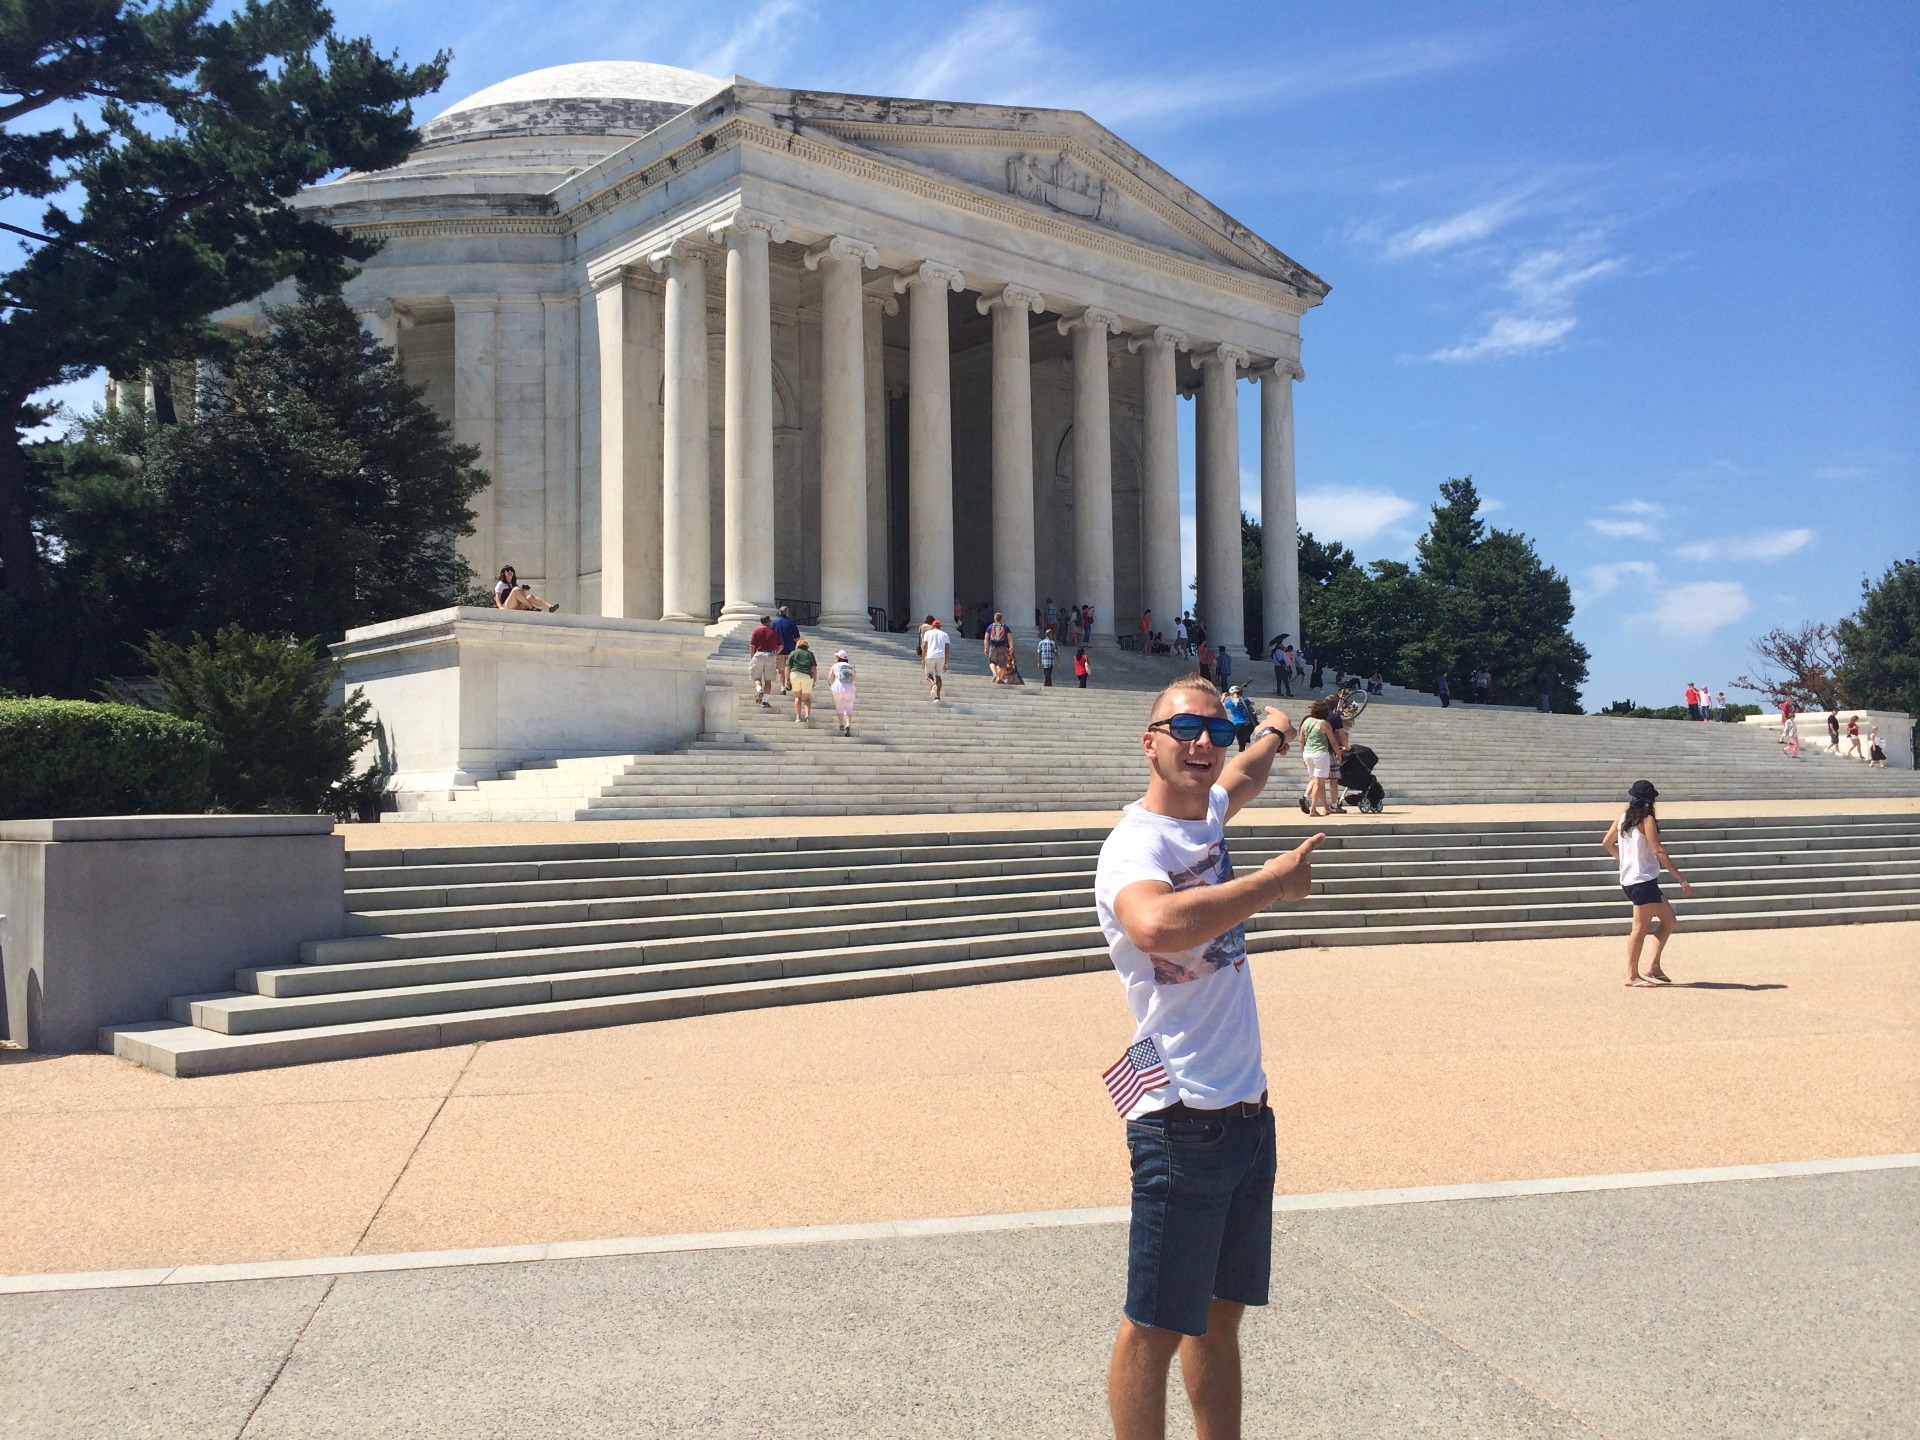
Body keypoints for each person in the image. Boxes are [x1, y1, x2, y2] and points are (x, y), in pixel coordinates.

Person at [1094, 674, 1316, 1440]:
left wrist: (1272, 735)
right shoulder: (1134, 846)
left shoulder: (1211, 809)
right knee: (1153, 1325)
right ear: (1147, 741)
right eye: (1183, 728)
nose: (1201, 743)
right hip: (1180, 1118)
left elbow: (1242, 778)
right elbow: (1156, 926)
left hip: (1247, 1113)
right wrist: (1268, 885)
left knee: (1219, 1320)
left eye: (1213, 731)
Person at [1602, 780, 1692, 986]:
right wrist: (1681, 879)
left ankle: (1653, 966)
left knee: (1669, 920)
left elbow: (1606, 843)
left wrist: (1624, 859)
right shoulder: (1647, 819)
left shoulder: (1623, 817)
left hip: (1635, 879)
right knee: (1639, 929)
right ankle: (1631, 975)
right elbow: (1658, 850)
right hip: (1642, 880)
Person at [1298, 696, 1337, 817]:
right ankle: (1313, 810)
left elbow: (1301, 740)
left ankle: (1325, 807)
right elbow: (1333, 741)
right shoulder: (1324, 723)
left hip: (1307, 753)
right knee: (1318, 783)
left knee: (1316, 781)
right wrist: (1338, 754)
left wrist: (1303, 754)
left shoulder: (1306, 721)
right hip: (1320, 754)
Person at [746, 615, 781, 708]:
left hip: (759, 654)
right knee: (768, 681)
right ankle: (765, 701)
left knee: (757, 678)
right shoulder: (774, 632)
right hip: (770, 655)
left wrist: (752, 657)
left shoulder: (756, 631)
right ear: (769, 621)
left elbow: (752, 646)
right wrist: (776, 653)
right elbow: (781, 645)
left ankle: (759, 690)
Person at [493, 565, 558, 613]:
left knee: (529, 597)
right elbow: (497, 597)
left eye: (512, 570)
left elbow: (520, 597)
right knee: (515, 590)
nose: (510, 571)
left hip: (516, 606)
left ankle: (550, 607)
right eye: (507, 570)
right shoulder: (501, 584)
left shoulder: (514, 584)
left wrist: (523, 591)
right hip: (506, 606)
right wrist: (500, 607)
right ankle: (531, 607)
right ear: (503, 573)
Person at [770, 605, 801, 694]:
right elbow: (797, 638)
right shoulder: (792, 623)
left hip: (778, 649)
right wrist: (796, 647)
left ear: (779, 613)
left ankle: (783, 687)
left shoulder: (774, 623)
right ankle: (789, 682)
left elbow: (772, 637)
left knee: (781, 669)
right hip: (790, 649)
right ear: (787, 613)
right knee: (790, 667)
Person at [786, 638, 817, 724]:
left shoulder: (793, 653)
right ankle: (807, 715)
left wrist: (787, 680)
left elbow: (788, 667)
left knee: (797, 697)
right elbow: (814, 667)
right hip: (807, 675)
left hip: (795, 674)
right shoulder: (810, 654)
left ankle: (798, 717)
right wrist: (814, 679)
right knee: (807, 698)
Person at [827, 649, 857, 735]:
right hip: (850, 688)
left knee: (839, 706)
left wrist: (831, 683)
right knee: (848, 708)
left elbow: (829, 678)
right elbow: (856, 678)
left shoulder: (835, 666)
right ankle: (848, 724)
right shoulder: (851, 666)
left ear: (839, 658)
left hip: (838, 688)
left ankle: (841, 724)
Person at [920, 618, 951, 700]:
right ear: (940, 627)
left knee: (928, 675)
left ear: (933, 626)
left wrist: (923, 659)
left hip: (930, 655)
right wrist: (946, 662)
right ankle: (937, 697)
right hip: (941, 656)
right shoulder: (945, 635)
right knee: (939, 676)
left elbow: (924, 647)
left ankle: (933, 684)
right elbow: (947, 649)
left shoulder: (928, 633)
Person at [1223, 685, 1256, 751]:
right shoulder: (1245, 700)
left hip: (1239, 725)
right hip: (1250, 724)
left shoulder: (1230, 703)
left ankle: (1244, 759)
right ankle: (1249, 756)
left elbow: (1220, 705)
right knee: (1247, 739)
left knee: (1241, 746)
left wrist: (1223, 697)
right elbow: (1252, 704)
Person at [984, 612, 1013, 681]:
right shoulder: (1005, 627)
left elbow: (986, 638)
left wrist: (986, 647)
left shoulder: (990, 627)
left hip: (993, 647)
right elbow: (1009, 638)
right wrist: (1011, 647)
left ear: (994, 619)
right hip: (1003, 647)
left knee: (992, 662)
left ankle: (994, 673)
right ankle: (999, 678)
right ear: (1001, 619)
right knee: (1002, 665)